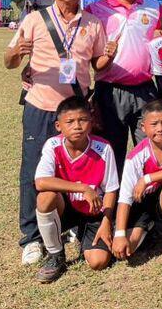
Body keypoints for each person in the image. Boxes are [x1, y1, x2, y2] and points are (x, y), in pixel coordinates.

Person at [3, 0, 111, 265]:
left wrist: (109, 57)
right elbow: (9, 61)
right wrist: (16, 54)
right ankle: (31, 238)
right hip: (41, 106)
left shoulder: (92, 23)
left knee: (79, 169)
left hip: (76, 111)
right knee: (33, 171)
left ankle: (71, 224)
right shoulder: (35, 19)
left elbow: (98, 65)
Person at [86, 0, 162, 176]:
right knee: (112, 152)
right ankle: (116, 196)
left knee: (150, 149)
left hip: (145, 89)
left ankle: (147, 197)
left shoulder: (155, 8)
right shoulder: (94, 10)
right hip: (109, 91)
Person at [33, 96, 120, 283]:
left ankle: (81, 234)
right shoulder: (53, 145)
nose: (77, 126)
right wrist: (82, 188)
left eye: (83, 120)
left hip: (94, 211)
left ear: (92, 121)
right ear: (58, 126)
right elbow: (40, 182)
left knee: (98, 262)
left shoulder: (103, 148)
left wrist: (106, 222)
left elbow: (111, 190)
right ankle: (56, 255)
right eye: (70, 122)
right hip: (67, 208)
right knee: (45, 197)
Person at [112, 99, 162, 271]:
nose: (160, 128)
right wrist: (119, 234)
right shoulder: (135, 157)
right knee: (126, 250)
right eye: (154, 124)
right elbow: (125, 198)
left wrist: (146, 179)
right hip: (142, 204)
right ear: (143, 127)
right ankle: (151, 227)